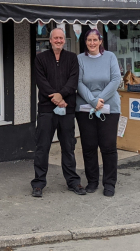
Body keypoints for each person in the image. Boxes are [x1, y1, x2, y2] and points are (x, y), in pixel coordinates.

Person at [31, 28, 86, 197]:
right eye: (56, 38)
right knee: (43, 147)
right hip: (47, 109)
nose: (59, 40)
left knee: (68, 146)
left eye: (61, 38)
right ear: (50, 40)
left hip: (67, 108)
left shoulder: (72, 58)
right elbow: (41, 81)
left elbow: (73, 80)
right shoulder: (40, 58)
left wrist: (62, 95)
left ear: (64, 40)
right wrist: (55, 98)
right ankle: (38, 183)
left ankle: (73, 182)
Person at [75, 29, 121, 197]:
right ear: (85, 42)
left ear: (100, 41)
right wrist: (93, 101)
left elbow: (116, 79)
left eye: (95, 40)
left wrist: (100, 98)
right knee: (88, 146)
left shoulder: (110, 57)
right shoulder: (80, 59)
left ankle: (109, 183)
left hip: (109, 108)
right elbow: (78, 82)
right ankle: (92, 181)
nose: (92, 43)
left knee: (108, 147)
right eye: (89, 40)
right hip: (85, 108)